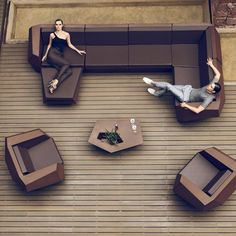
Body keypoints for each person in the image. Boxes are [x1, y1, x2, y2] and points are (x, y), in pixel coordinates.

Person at [143, 58, 221, 114]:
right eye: (211, 84)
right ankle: (158, 94)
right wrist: (211, 64)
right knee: (169, 88)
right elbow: (218, 75)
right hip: (187, 89)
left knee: (168, 86)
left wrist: (186, 105)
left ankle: (153, 83)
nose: (210, 85)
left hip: (184, 97)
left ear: (213, 91)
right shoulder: (213, 85)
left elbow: (198, 110)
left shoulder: (209, 98)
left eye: (211, 87)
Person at [41, 19, 86, 93]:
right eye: (56, 24)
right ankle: (56, 80)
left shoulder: (66, 34)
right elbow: (49, 45)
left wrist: (78, 50)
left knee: (69, 72)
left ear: (62, 25)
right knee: (67, 64)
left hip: (59, 55)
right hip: (52, 54)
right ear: (55, 26)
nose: (58, 26)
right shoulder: (52, 35)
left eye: (59, 24)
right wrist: (45, 55)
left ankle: (53, 85)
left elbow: (69, 44)